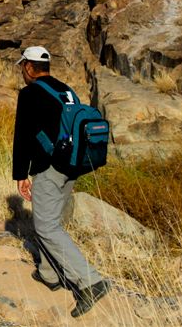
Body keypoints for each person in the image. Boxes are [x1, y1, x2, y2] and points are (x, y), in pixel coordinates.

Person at [12, 46, 110, 318]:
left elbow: (23, 135)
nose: (23, 71)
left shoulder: (30, 93)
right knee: (52, 220)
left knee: (45, 226)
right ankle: (49, 274)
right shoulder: (66, 90)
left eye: (23, 67)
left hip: (50, 167)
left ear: (30, 68)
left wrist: (20, 173)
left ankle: (90, 282)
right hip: (73, 165)